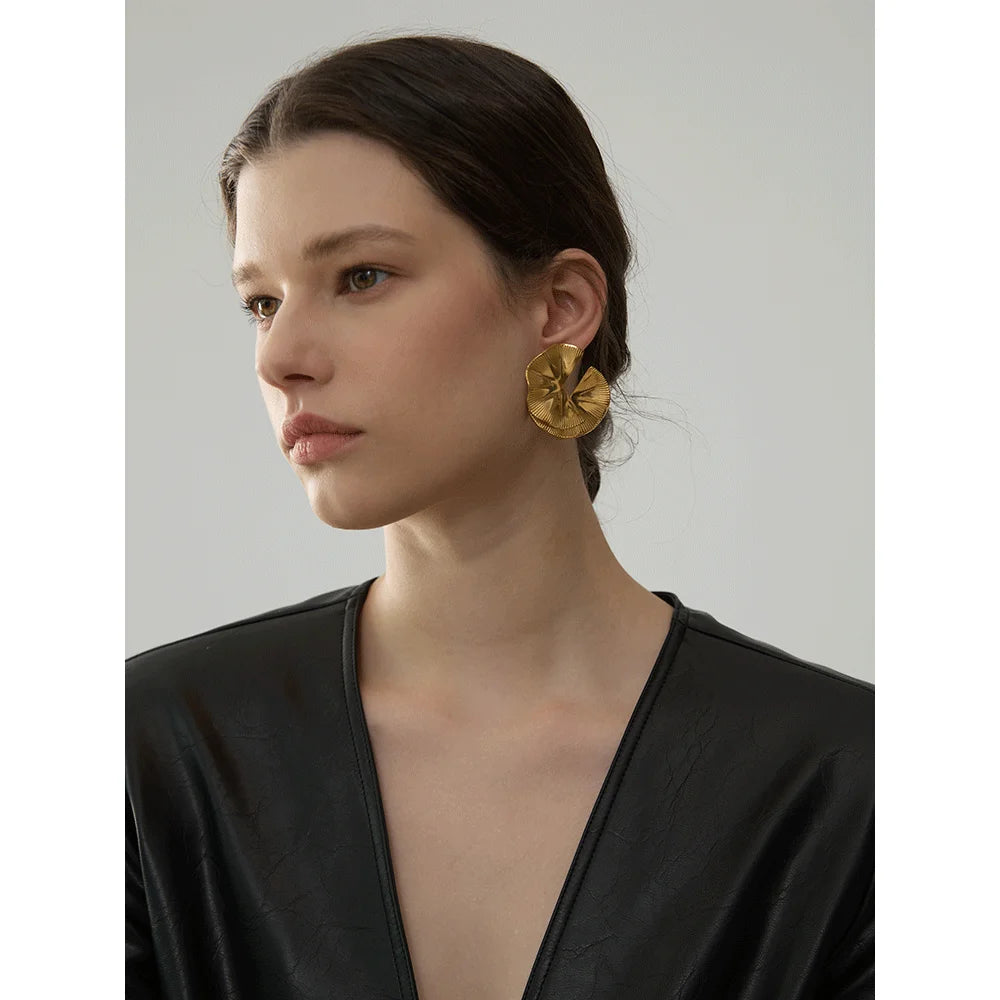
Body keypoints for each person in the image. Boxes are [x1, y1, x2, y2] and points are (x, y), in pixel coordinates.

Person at [125, 32, 874, 1000]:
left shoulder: (852, 784)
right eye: (262, 302)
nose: (281, 357)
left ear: (560, 305)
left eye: (361, 276)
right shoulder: (151, 749)